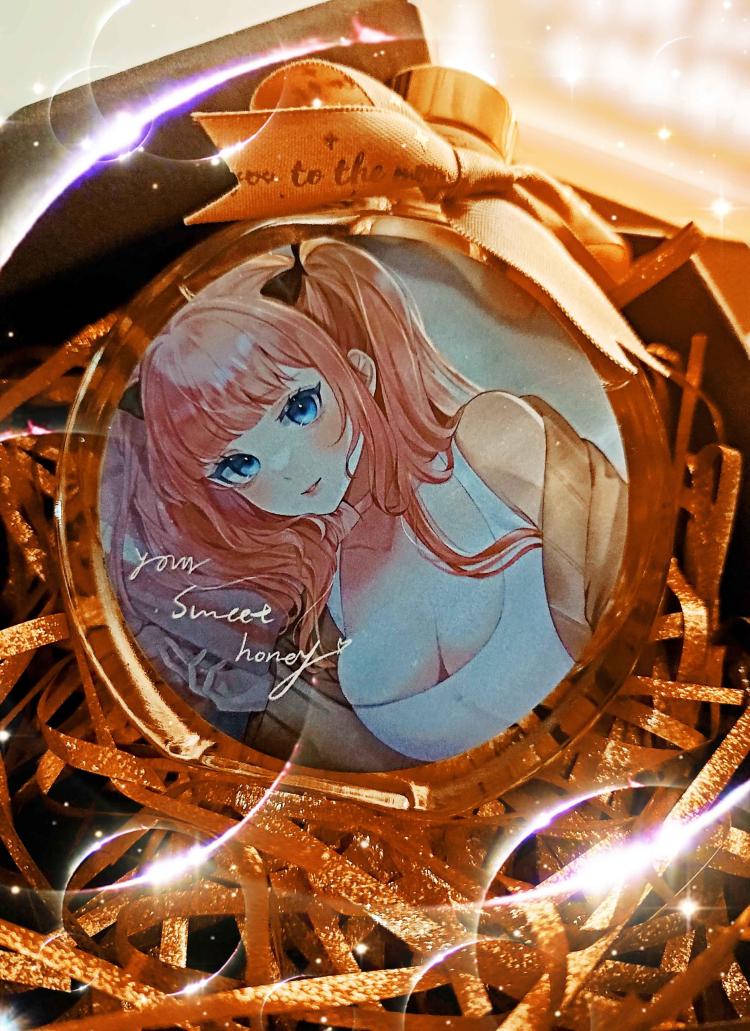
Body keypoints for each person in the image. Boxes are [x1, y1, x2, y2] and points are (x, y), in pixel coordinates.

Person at [103, 239, 627, 771]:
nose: (286, 466)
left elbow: (626, 575)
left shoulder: (491, 444)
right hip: (501, 813)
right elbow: (349, 786)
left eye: (300, 408)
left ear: (359, 373)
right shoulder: (311, 623)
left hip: (629, 737)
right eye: (239, 464)